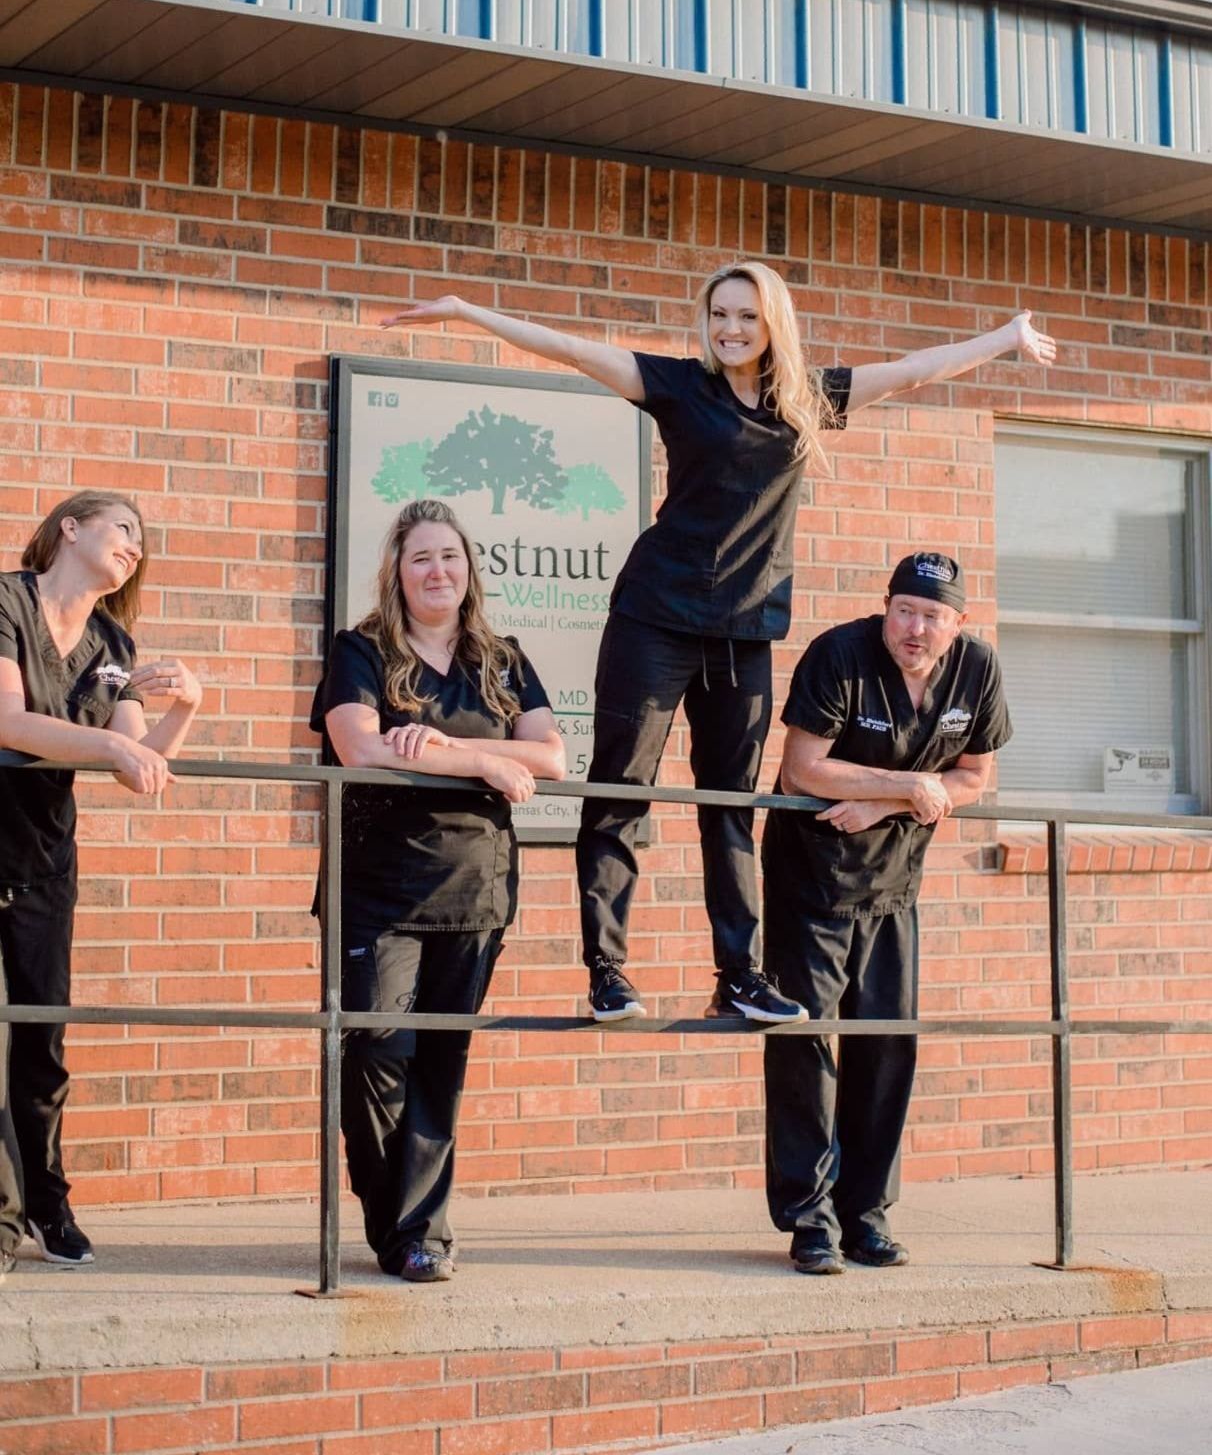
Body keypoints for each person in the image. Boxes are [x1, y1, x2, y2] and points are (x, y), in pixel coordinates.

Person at [381, 273, 1054, 1026]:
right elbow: (572, 350)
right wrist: (467, 309)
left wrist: (1005, 338)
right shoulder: (679, 386)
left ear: (773, 324)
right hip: (655, 617)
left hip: (745, 633)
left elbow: (913, 370)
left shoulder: (807, 400)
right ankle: (609, 971)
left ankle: (739, 973)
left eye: (747, 316)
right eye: (720, 314)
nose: (732, 328)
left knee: (731, 804)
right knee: (620, 791)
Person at [312, 499, 564, 1283]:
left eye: (449, 557)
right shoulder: (361, 650)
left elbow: (551, 755)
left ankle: (422, 1234)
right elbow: (357, 746)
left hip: (476, 889)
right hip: (379, 890)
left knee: (441, 1062)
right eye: (421, 557)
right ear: (397, 571)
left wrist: (440, 746)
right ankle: (399, 1226)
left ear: (469, 571)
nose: (437, 571)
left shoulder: (503, 658)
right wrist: (490, 761)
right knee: (376, 1054)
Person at [762, 552, 1013, 1276]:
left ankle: (864, 1215)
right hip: (811, 882)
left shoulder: (978, 671)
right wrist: (907, 783)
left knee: (886, 1048)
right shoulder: (840, 655)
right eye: (904, 609)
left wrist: (884, 801)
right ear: (886, 608)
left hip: (896, 882)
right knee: (805, 1048)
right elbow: (802, 769)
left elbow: (973, 776)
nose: (915, 627)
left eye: (933, 616)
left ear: (958, 623)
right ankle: (809, 1220)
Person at [0, 492, 202, 1279]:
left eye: (142, 541)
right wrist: (113, 749)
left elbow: (135, 760)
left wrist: (185, 707)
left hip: (44, 863)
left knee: (43, 1049)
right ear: (71, 529)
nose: (134, 545)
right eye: (124, 528)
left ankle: (49, 1208)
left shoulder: (114, 641)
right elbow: (8, 720)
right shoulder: (7, 600)